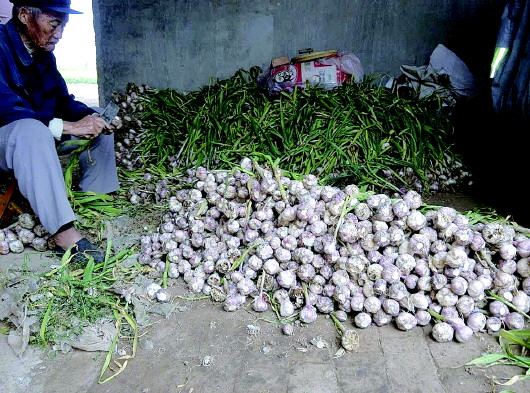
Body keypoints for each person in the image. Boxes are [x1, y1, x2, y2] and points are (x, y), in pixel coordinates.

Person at [0, 0, 119, 263]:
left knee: (95, 114)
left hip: (35, 134)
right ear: (24, 15)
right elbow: (6, 107)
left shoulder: (44, 56)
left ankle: (95, 196)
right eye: (54, 24)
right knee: (31, 131)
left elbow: (62, 101)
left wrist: (88, 117)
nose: (60, 33)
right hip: (8, 138)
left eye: (63, 25)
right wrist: (68, 126)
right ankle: (63, 233)